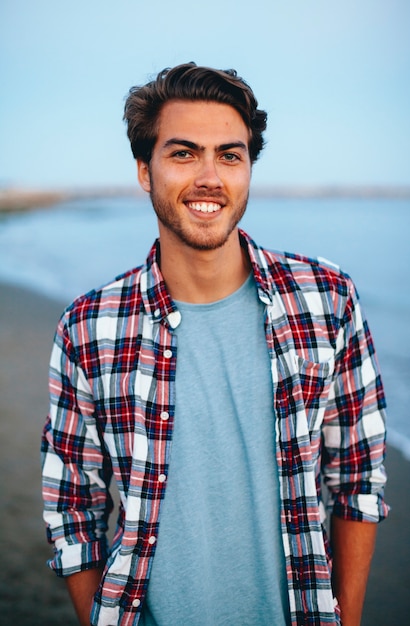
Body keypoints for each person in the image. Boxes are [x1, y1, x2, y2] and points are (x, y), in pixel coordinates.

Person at [41, 63, 389, 626]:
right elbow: (73, 504)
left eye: (230, 155)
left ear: (249, 169)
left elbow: (357, 479)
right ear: (143, 171)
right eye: (182, 154)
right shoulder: (89, 326)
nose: (209, 177)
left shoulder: (328, 301)